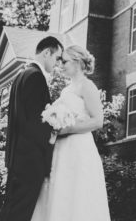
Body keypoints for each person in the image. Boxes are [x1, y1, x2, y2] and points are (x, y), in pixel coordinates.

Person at [31, 45, 111, 221]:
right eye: (60, 61)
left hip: (79, 149)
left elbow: (98, 121)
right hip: (61, 150)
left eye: (65, 61)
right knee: (60, 194)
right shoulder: (66, 90)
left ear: (77, 61)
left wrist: (66, 129)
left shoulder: (87, 86)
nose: (61, 65)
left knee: (77, 195)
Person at [0, 36, 63, 221]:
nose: (57, 64)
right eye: (57, 58)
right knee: (19, 214)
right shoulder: (35, 76)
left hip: (17, 157)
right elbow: (34, 122)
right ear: (46, 53)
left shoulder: (22, 75)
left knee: (12, 211)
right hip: (29, 160)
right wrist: (52, 135)